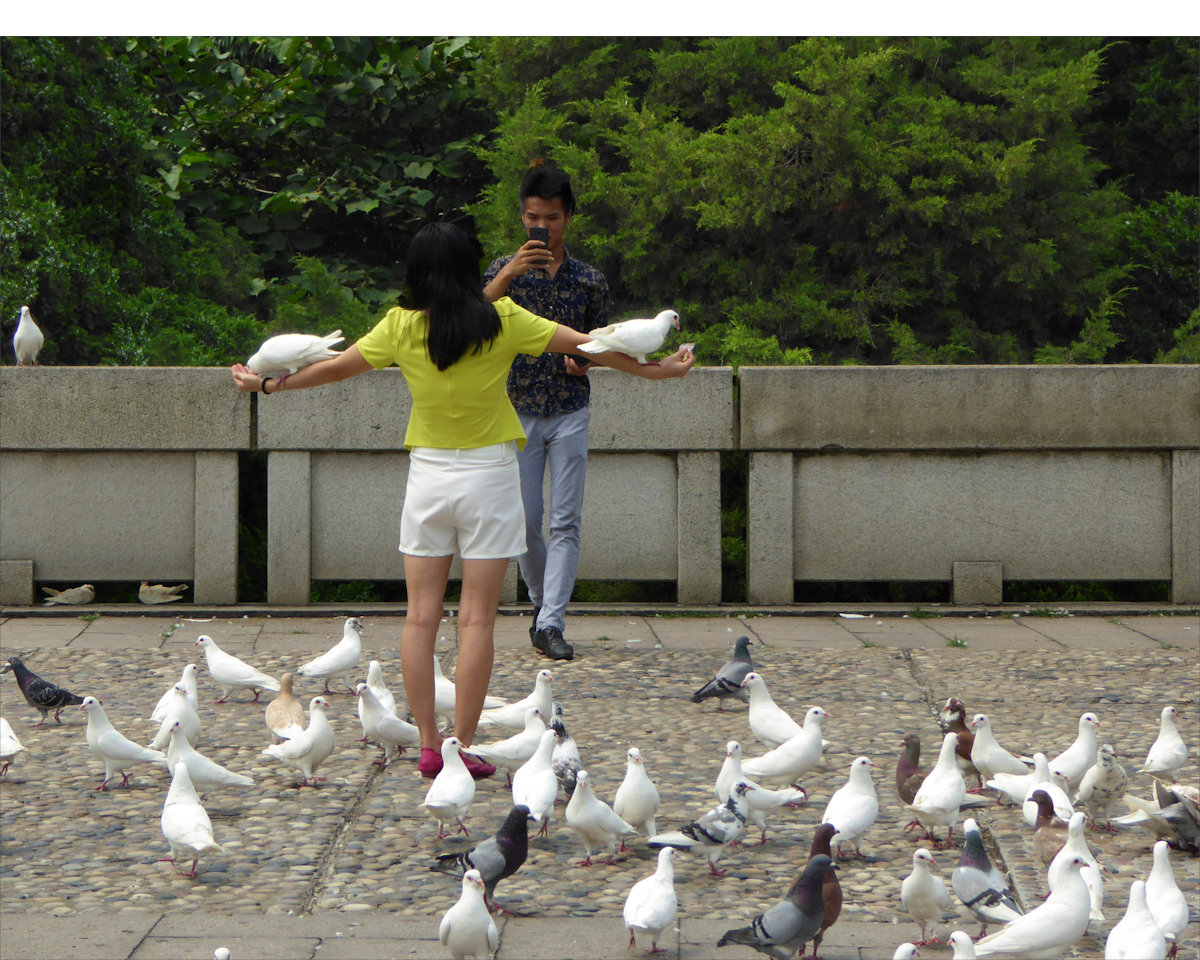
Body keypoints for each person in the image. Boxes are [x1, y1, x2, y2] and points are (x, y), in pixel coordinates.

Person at [232, 222, 693, 779]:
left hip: (428, 476)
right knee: (477, 621)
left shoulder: (401, 325)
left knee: (419, 617)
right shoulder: (501, 319)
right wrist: (656, 373)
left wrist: (266, 386)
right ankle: (462, 745)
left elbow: (332, 368)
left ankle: (428, 743)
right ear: (472, 268)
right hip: (491, 477)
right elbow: (588, 344)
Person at [484, 163, 680, 661]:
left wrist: (582, 366)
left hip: (570, 408)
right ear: (521, 217)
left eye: (552, 217)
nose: (542, 227)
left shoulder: (589, 281)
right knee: (525, 520)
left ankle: (552, 623)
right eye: (533, 217)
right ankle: (540, 603)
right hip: (516, 409)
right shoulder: (501, 274)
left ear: (569, 216)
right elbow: (467, 318)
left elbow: (604, 346)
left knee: (566, 520)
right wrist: (507, 273)